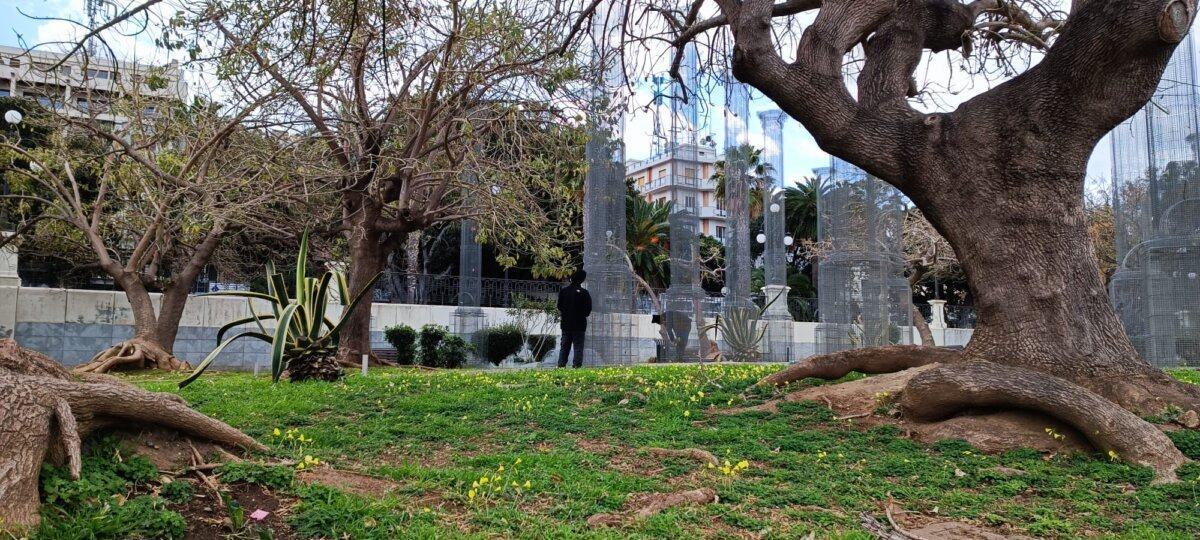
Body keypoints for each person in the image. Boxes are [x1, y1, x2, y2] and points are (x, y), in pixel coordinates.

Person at [556, 270, 592, 368]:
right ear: (582, 280)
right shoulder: (585, 293)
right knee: (578, 347)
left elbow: (559, 306)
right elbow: (588, 311)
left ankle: (561, 365)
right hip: (579, 325)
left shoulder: (564, 291)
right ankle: (576, 366)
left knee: (564, 346)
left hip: (566, 324)